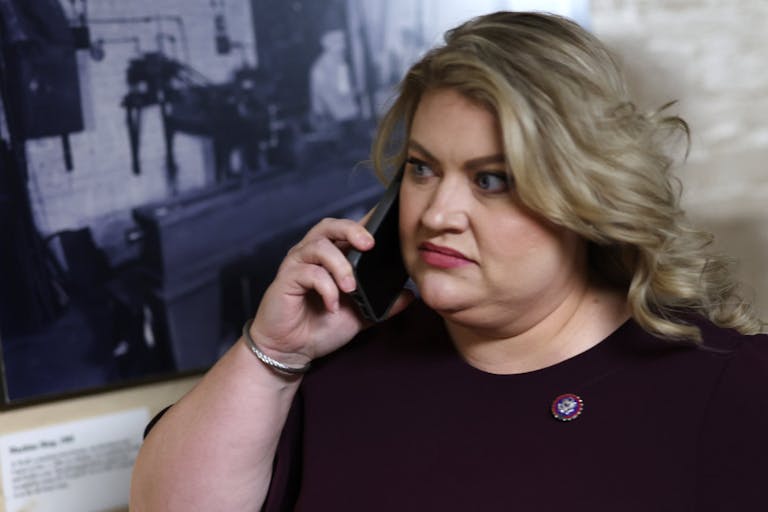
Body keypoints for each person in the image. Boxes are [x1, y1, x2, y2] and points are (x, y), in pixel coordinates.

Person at [130, 11, 767, 511]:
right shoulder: (339, 373)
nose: (437, 212)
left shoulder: (725, 383)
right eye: (422, 169)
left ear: (586, 195)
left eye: (491, 180)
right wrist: (274, 355)